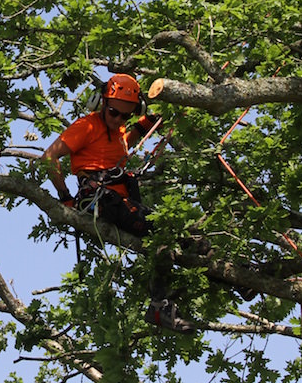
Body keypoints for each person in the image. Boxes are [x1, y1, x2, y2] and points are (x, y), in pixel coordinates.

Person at [41, 73, 191, 331]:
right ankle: (158, 308)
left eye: (126, 116)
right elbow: (49, 157)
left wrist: (143, 126)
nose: (119, 119)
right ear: (100, 103)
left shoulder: (117, 128)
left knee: (178, 234)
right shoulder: (86, 126)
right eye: (114, 113)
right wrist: (65, 197)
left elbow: (119, 147)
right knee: (162, 231)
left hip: (122, 199)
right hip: (103, 200)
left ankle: (235, 274)